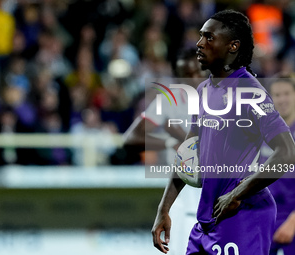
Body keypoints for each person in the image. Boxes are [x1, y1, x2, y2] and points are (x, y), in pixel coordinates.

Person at [151, 10, 295, 255]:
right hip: (208, 218)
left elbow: (287, 152)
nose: (199, 44)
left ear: (232, 46)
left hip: (243, 217)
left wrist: (237, 194)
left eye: (209, 37)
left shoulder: (251, 93)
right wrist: (164, 209)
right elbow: (187, 152)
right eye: (200, 36)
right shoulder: (207, 89)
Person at [124, 49, 204, 254]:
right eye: (186, 75)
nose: (194, 79)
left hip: (214, 196)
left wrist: (182, 137)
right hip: (181, 201)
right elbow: (131, 139)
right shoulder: (169, 99)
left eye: (198, 72)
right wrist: (169, 141)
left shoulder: (221, 98)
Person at [259, 78, 295, 255]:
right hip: (264, 220)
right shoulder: (261, 133)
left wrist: (293, 222)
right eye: (277, 95)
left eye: (287, 93)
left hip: (292, 218)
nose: (282, 99)